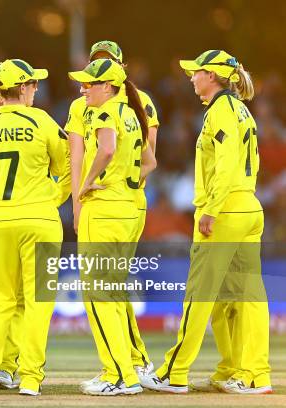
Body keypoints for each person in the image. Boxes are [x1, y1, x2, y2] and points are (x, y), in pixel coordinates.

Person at [141, 50, 271, 395]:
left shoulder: (222, 110)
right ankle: (250, 373)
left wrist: (211, 209)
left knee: (199, 295)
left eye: (196, 72)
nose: (191, 77)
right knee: (246, 297)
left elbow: (226, 164)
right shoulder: (241, 109)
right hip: (248, 207)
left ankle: (174, 372)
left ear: (211, 76)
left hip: (225, 210)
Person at [0, 59, 69, 397]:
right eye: (33, 85)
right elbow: (66, 164)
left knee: (1, 300)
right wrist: (55, 196)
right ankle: (29, 378)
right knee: (38, 302)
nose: (36, 90)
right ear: (22, 88)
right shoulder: (41, 120)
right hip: (39, 218)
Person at [65, 41, 159, 391]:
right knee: (113, 290)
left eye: (90, 81)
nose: (84, 87)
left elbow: (101, 151)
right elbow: (150, 161)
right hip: (130, 206)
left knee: (99, 293)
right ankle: (129, 367)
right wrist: (126, 183)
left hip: (104, 210)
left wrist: (86, 187)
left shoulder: (104, 111)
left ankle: (120, 375)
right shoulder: (134, 110)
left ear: (109, 82)